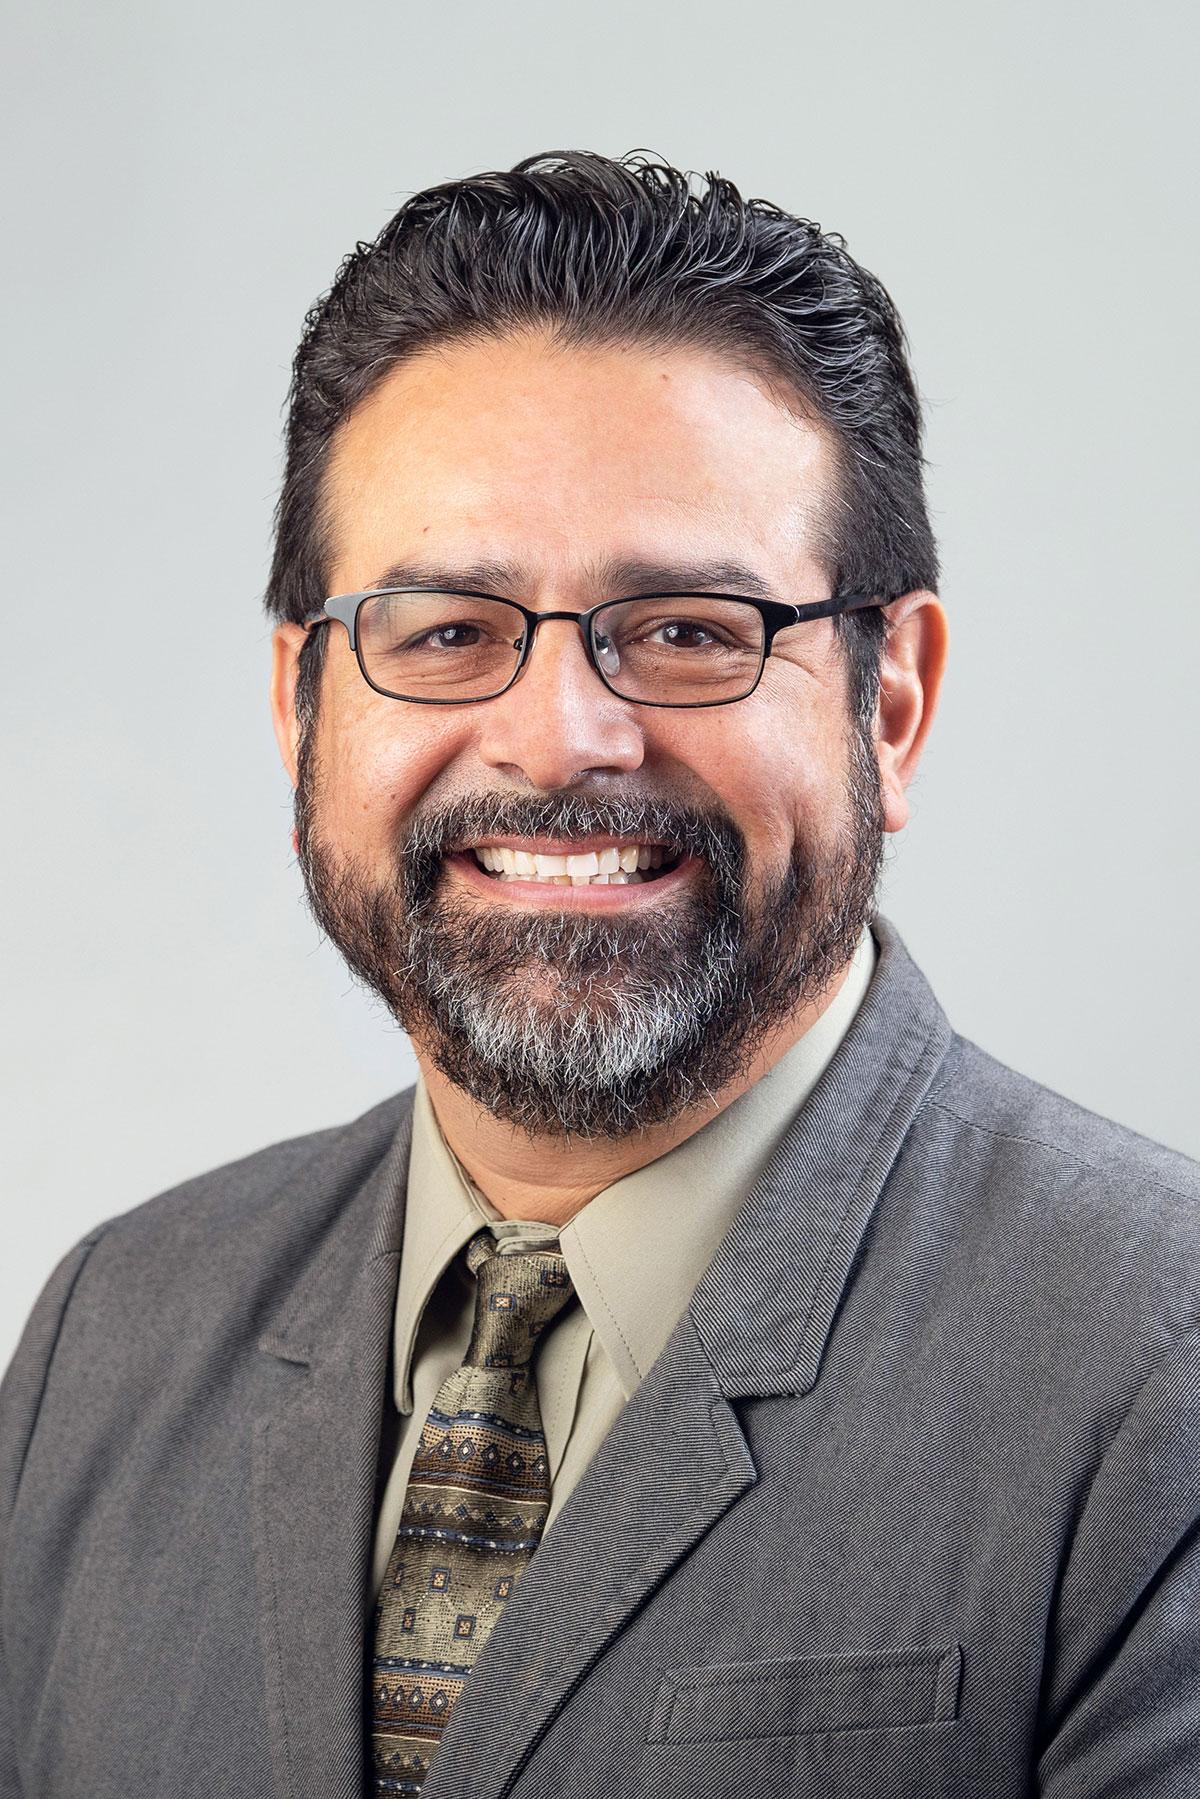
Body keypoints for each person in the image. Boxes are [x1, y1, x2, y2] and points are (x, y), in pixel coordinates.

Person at [2, 149, 1197, 1799]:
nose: (561, 738)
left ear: (892, 702)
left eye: (691, 629)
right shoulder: (109, 1337)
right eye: (445, 631)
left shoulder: (1160, 1373)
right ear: (301, 709)